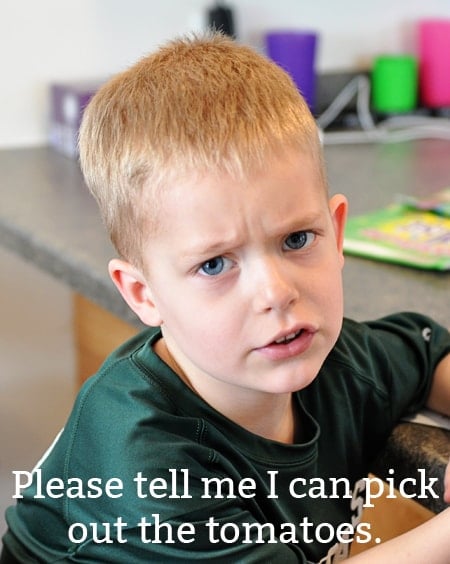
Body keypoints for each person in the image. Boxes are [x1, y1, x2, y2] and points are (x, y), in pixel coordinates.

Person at [1, 32, 450, 563]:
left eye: (297, 240)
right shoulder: (144, 465)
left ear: (337, 232)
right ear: (144, 295)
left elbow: (426, 356)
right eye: (214, 264)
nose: (277, 292)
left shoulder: (325, 357)